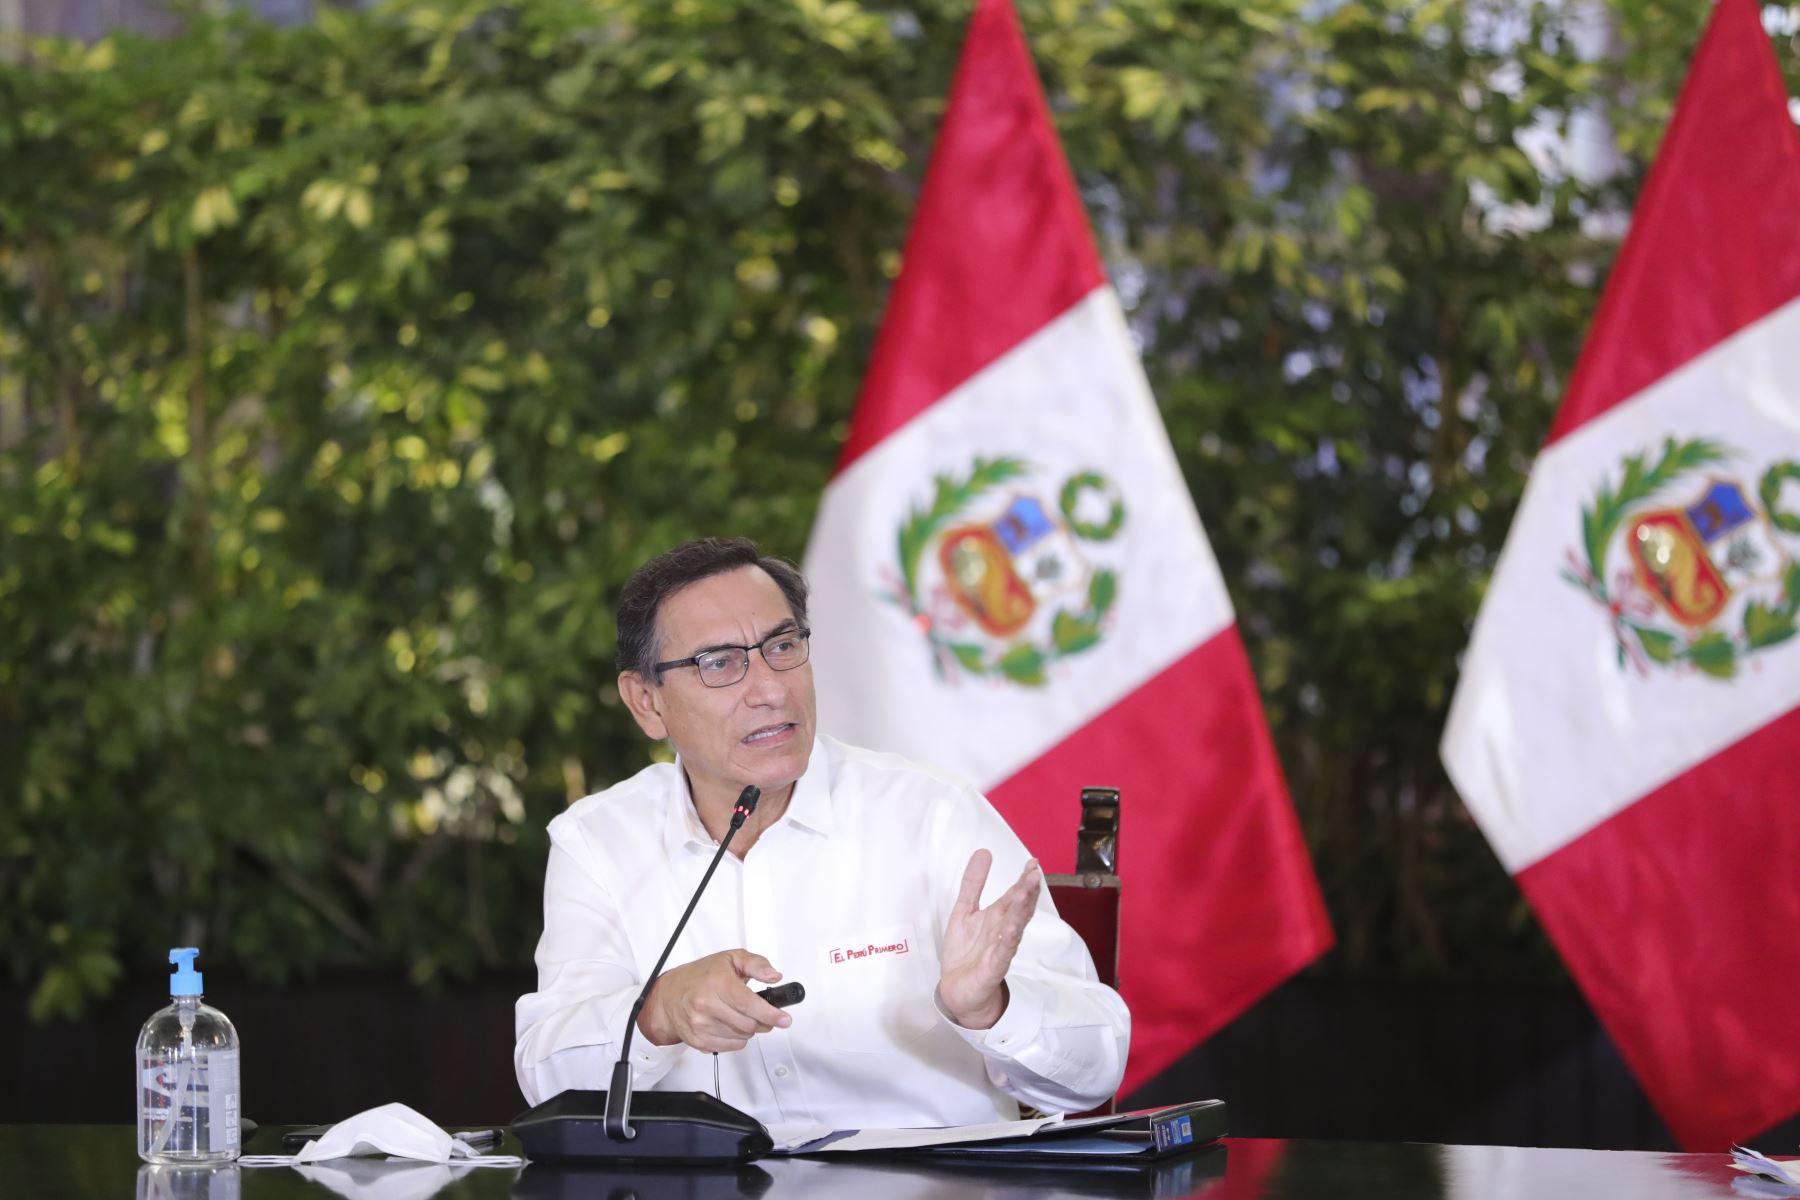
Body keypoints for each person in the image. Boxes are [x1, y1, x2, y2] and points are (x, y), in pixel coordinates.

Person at [513, 537, 1129, 1129]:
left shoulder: (931, 814)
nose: (770, 689)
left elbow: (1096, 1069)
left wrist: (991, 1009)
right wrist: (656, 1014)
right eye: (719, 663)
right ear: (646, 702)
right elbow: (547, 1079)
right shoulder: (597, 842)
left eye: (783, 646)